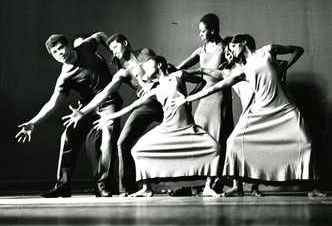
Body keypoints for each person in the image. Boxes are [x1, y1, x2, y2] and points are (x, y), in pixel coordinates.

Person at [176, 34, 322, 197]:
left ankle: (313, 188)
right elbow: (215, 87)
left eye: (232, 46)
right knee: (233, 142)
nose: (229, 51)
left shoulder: (267, 51)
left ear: (244, 43)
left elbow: (298, 50)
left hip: (284, 108)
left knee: (306, 142)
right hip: (259, 111)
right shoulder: (242, 71)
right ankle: (237, 187)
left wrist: (285, 66)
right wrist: (189, 97)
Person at [94, 56, 223, 197]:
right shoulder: (155, 90)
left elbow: (202, 81)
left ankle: (208, 187)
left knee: (214, 148)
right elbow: (132, 106)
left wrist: (189, 97)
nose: (146, 70)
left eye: (149, 67)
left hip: (187, 127)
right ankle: (146, 188)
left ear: (160, 64)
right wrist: (109, 116)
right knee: (138, 150)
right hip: (167, 128)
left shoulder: (178, 75)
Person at [15, 32, 122, 197]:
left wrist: (113, 51)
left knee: (107, 139)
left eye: (61, 48)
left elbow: (100, 35)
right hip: (85, 109)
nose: (60, 54)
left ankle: (103, 185)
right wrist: (33, 123)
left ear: (69, 46)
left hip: (109, 102)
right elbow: (52, 103)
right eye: (55, 53)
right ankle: (63, 185)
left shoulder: (85, 47)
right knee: (68, 136)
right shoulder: (65, 77)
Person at [62, 34, 164, 196]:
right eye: (111, 50)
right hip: (146, 105)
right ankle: (128, 189)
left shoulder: (144, 53)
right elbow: (105, 92)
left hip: (165, 99)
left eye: (116, 47)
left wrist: (151, 83)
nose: (114, 52)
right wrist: (83, 112)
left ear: (125, 42)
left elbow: (156, 68)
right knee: (122, 142)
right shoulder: (121, 70)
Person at [177, 13, 234, 192]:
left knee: (218, 137)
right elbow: (178, 69)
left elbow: (232, 70)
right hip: (203, 98)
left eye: (203, 31)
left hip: (219, 97)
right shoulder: (200, 51)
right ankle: (202, 182)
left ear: (213, 30)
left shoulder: (226, 47)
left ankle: (215, 180)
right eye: (200, 32)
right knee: (201, 137)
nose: (200, 35)